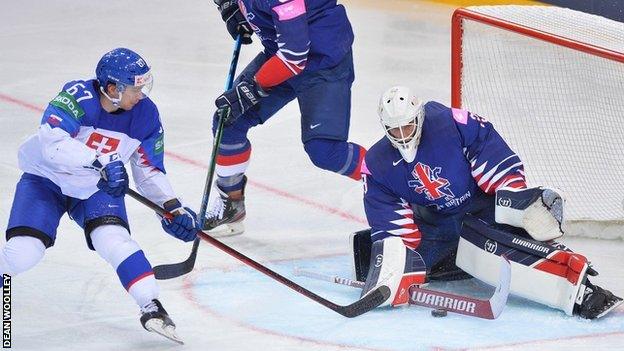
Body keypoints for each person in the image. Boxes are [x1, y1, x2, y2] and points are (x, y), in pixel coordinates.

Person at [353, 86, 622, 319]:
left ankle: (578, 290)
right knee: (376, 258)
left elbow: (488, 148)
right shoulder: (376, 164)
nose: (402, 135)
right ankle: (456, 258)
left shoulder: (451, 123)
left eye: (407, 126)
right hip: (437, 224)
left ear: (419, 116)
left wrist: (512, 197)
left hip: (481, 209)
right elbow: (387, 215)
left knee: (506, 249)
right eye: (394, 129)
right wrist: (393, 262)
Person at [0, 48, 200, 342]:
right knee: (24, 253)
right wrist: (100, 160)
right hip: (46, 178)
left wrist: (171, 207)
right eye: (135, 88)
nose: (141, 94)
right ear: (112, 89)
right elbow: (52, 143)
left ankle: (151, 306)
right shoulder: (76, 96)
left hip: (96, 187)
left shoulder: (146, 114)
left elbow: (148, 169)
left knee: (113, 239)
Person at [204, 0, 366, 234]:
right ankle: (232, 203)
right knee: (228, 121)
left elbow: (294, 56)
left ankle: (399, 182)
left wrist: (252, 88)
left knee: (325, 150)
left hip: (322, 62)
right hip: (279, 54)